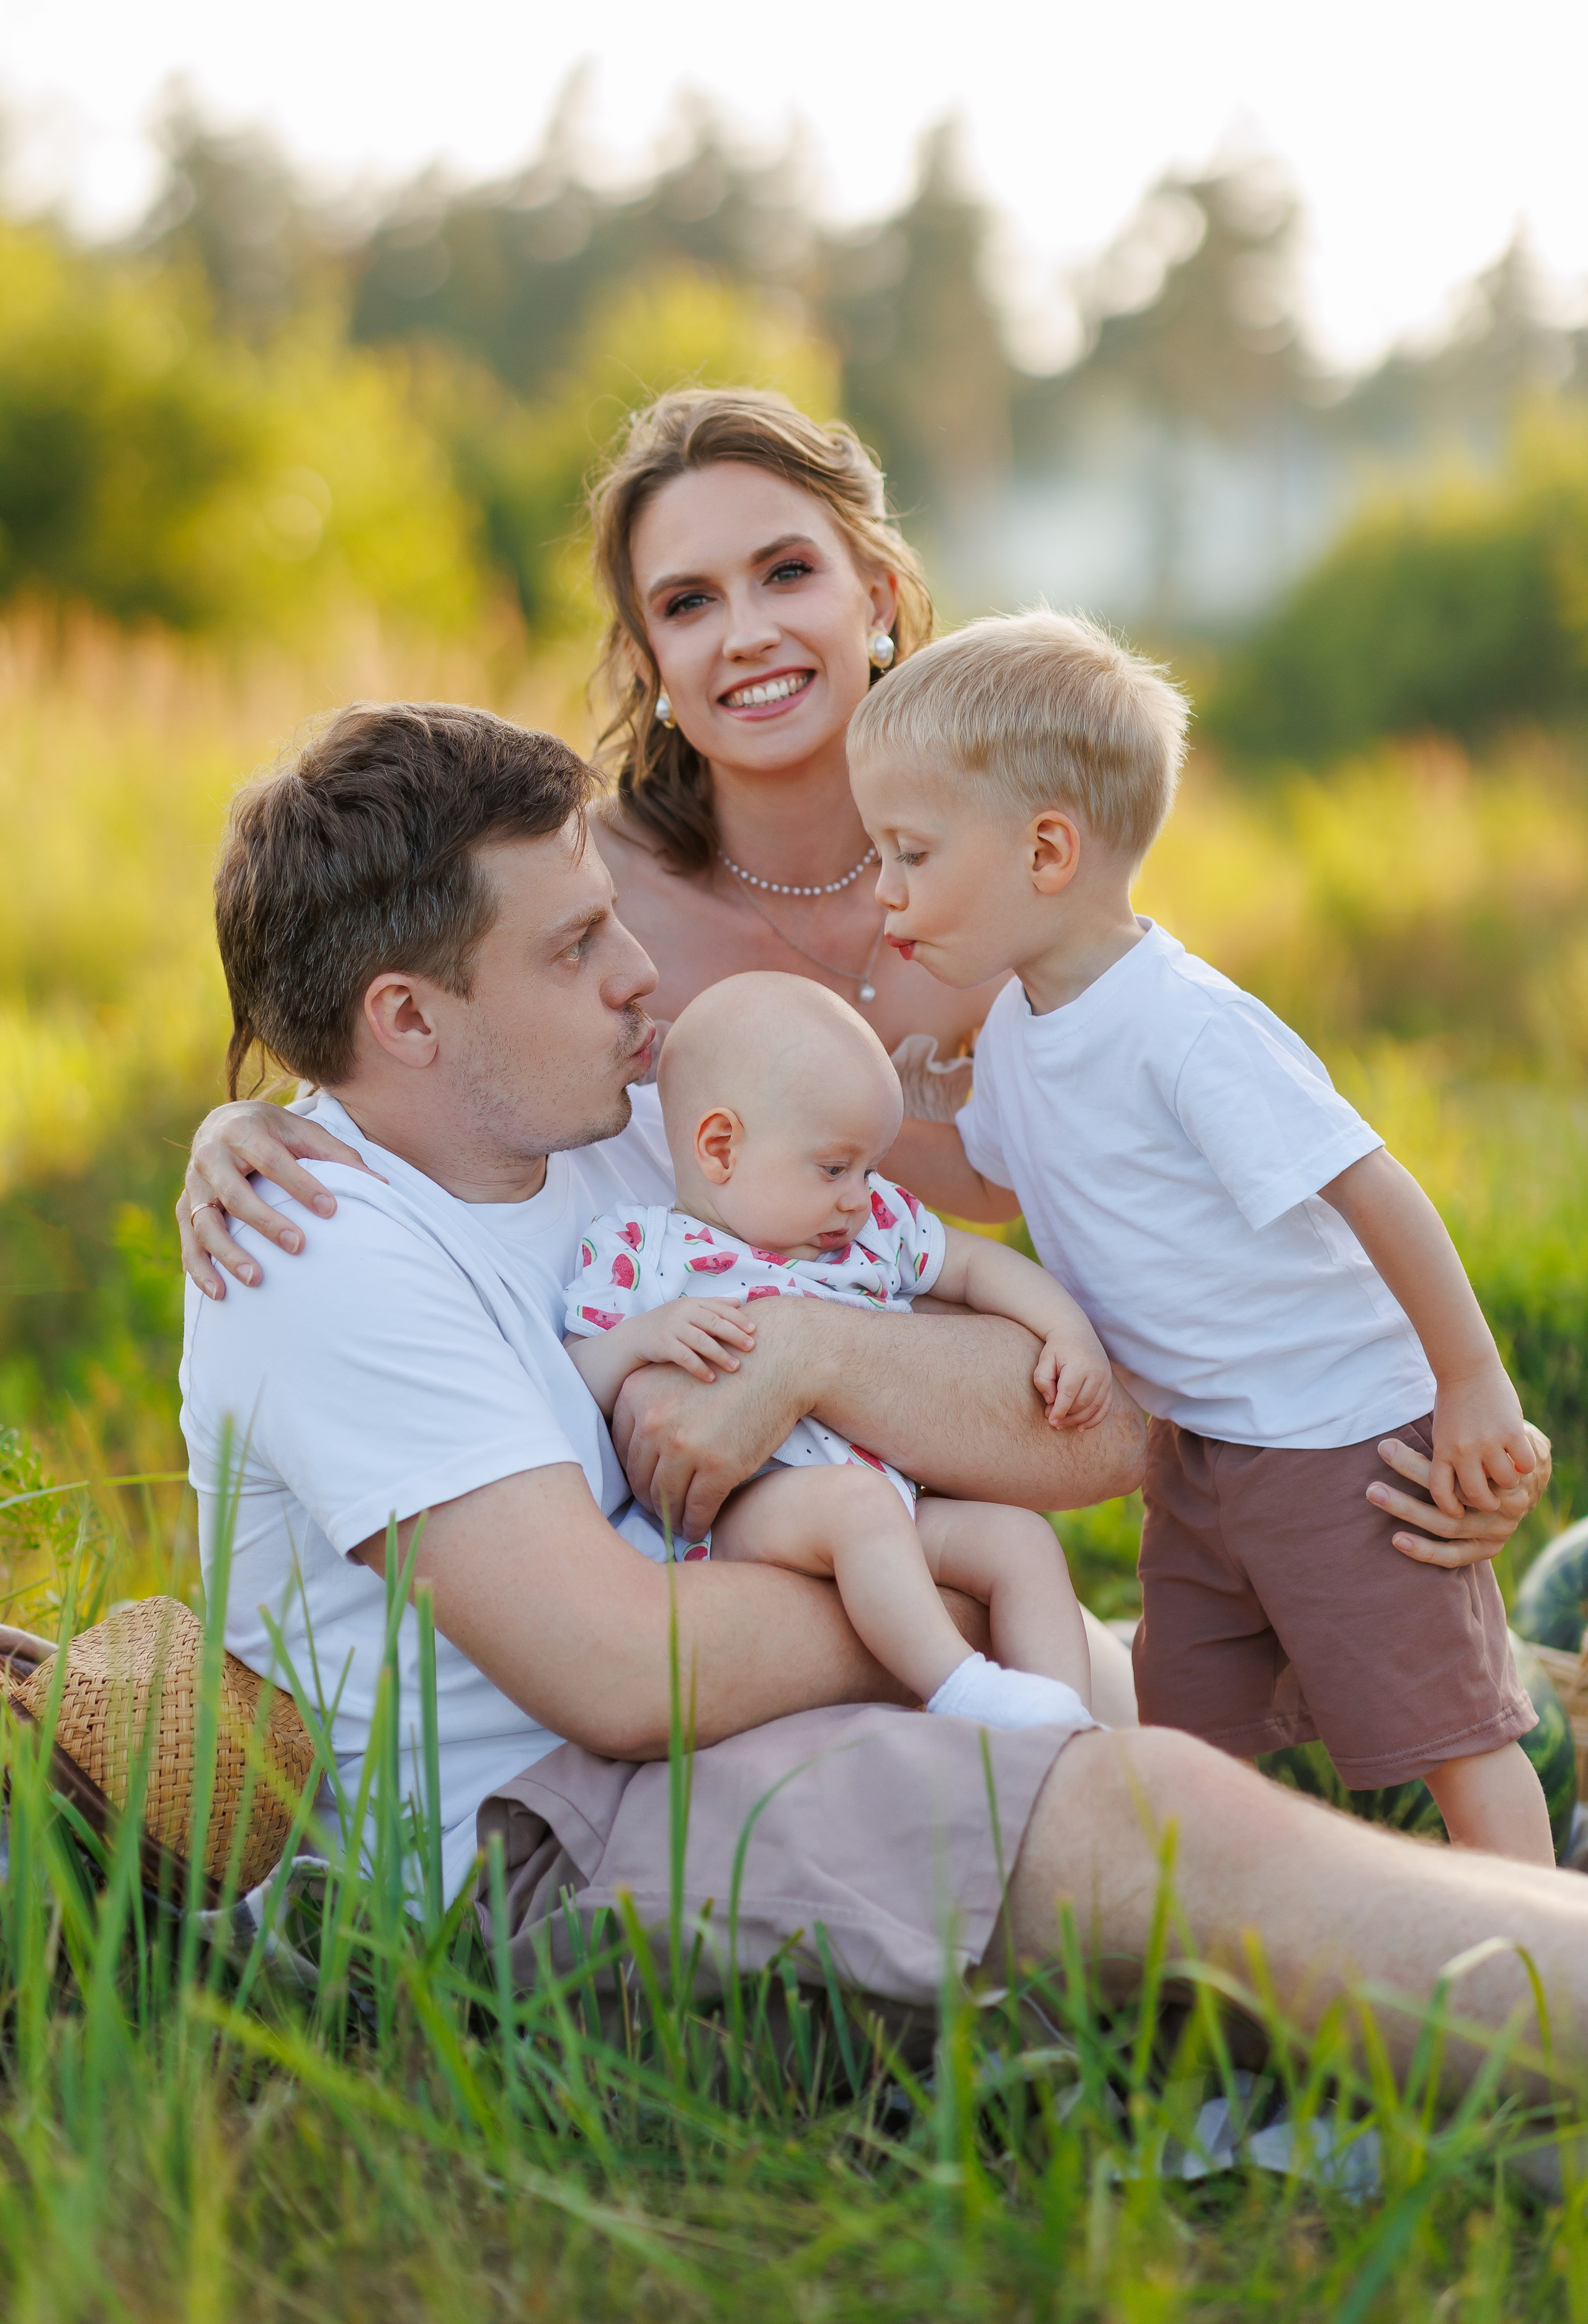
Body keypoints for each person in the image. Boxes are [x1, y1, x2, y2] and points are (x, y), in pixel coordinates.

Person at [180, 694, 1588, 2099]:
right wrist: (941, 1605)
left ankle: (1505, 1868)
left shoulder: (628, 1127)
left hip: (759, 1720)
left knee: (1227, 1703)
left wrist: (815, 1354)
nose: (635, 974)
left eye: (613, 916)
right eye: (571, 945)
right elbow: (618, 1668)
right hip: (559, 1855)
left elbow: (1095, 1423)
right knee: (1159, 1810)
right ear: (407, 1019)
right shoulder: (313, 1246)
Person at [173, 387, 1522, 1719]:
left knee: (1388, 1672)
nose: (745, 633)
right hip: (780, 1473)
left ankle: (1509, 1687)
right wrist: (239, 1129)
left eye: (785, 572)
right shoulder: (612, 903)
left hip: (1066, 1383)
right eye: (687, 603)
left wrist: (1427, 1389)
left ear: (877, 591)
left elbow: (1233, 1127)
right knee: (1199, 1695)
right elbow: (424, 1063)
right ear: (645, 653)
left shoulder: (1010, 849)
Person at [847, 610, 1553, 1866]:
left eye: (906, 852)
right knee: (1185, 1738)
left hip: (1339, 1438)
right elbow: (991, 1178)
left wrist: (1467, 1381)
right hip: (1202, 1457)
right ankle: (1231, 1973)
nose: (883, 891)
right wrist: (868, 1117)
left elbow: (1371, 1187)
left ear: (1047, 849)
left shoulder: (1182, 1024)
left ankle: (1534, 1967)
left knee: (1446, 1727)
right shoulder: (1013, 1028)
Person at [563, 970, 1107, 1728]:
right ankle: (965, 1692)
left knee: (1018, 1540)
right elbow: (570, 1379)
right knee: (857, 1508)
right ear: (720, 1147)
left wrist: (1066, 1331)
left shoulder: (867, 1225)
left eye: (870, 1168)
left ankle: (1067, 1726)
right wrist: (640, 1338)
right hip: (746, 1516)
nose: (859, 1195)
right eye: (833, 1168)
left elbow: (977, 1265)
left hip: (890, 1502)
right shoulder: (644, 1251)